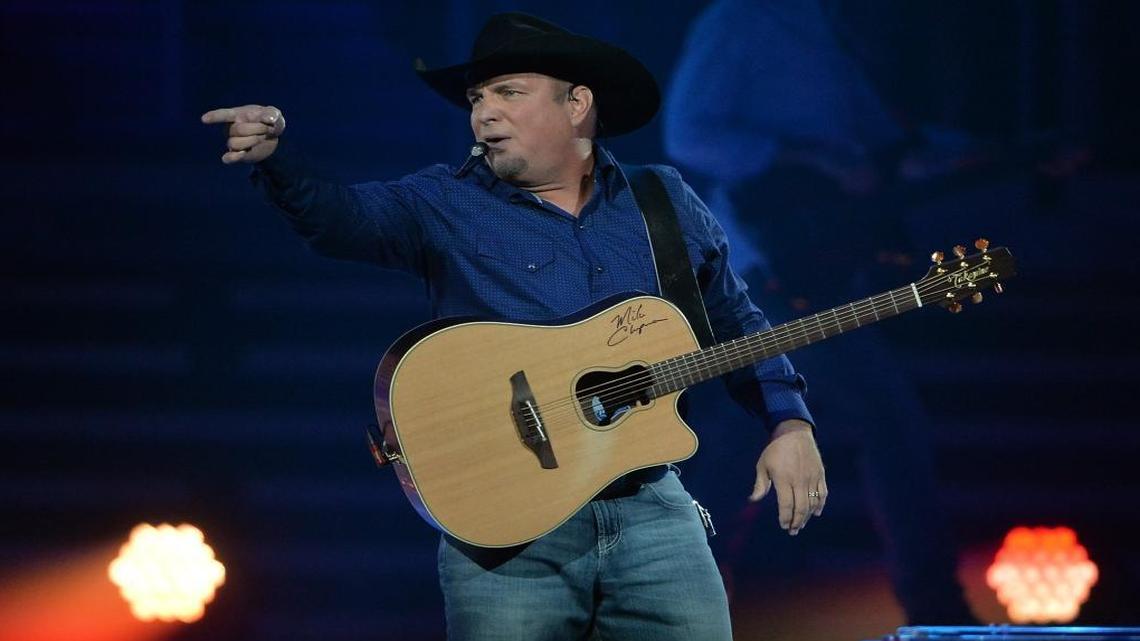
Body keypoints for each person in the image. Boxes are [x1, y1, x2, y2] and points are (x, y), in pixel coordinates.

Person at [202, 13, 825, 640]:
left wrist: (790, 422)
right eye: (477, 98)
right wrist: (277, 160)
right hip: (509, 521)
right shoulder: (443, 200)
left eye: (508, 92)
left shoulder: (661, 200)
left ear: (577, 104)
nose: (483, 114)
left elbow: (735, 322)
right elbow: (339, 219)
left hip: (650, 506)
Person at [663, 0, 975, 624]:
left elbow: (879, 149)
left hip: (805, 267)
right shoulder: (742, 22)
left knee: (735, 443)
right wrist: (805, 160)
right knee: (886, 418)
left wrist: (987, 155)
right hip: (759, 267)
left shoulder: (831, 26)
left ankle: (661, 604)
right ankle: (935, 609)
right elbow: (691, 134)